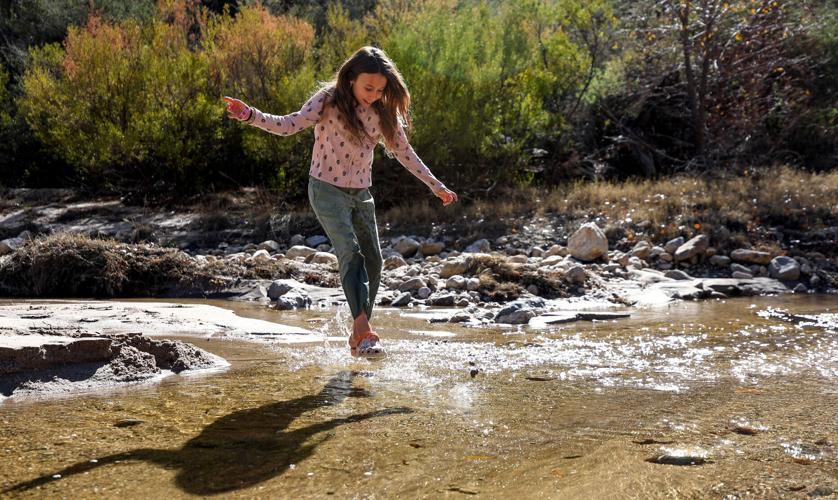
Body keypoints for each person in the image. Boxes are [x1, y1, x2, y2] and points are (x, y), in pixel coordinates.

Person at [224, 46, 458, 357]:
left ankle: (359, 333)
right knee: (351, 252)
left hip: (361, 194)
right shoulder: (327, 100)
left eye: (380, 89)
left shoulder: (383, 113)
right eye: (368, 88)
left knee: (374, 260)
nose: (373, 95)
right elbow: (289, 124)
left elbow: (405, 153)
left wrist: (436, 186)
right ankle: (363, 330)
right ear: (350, 79)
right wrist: (250, 115)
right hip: (326, 190)